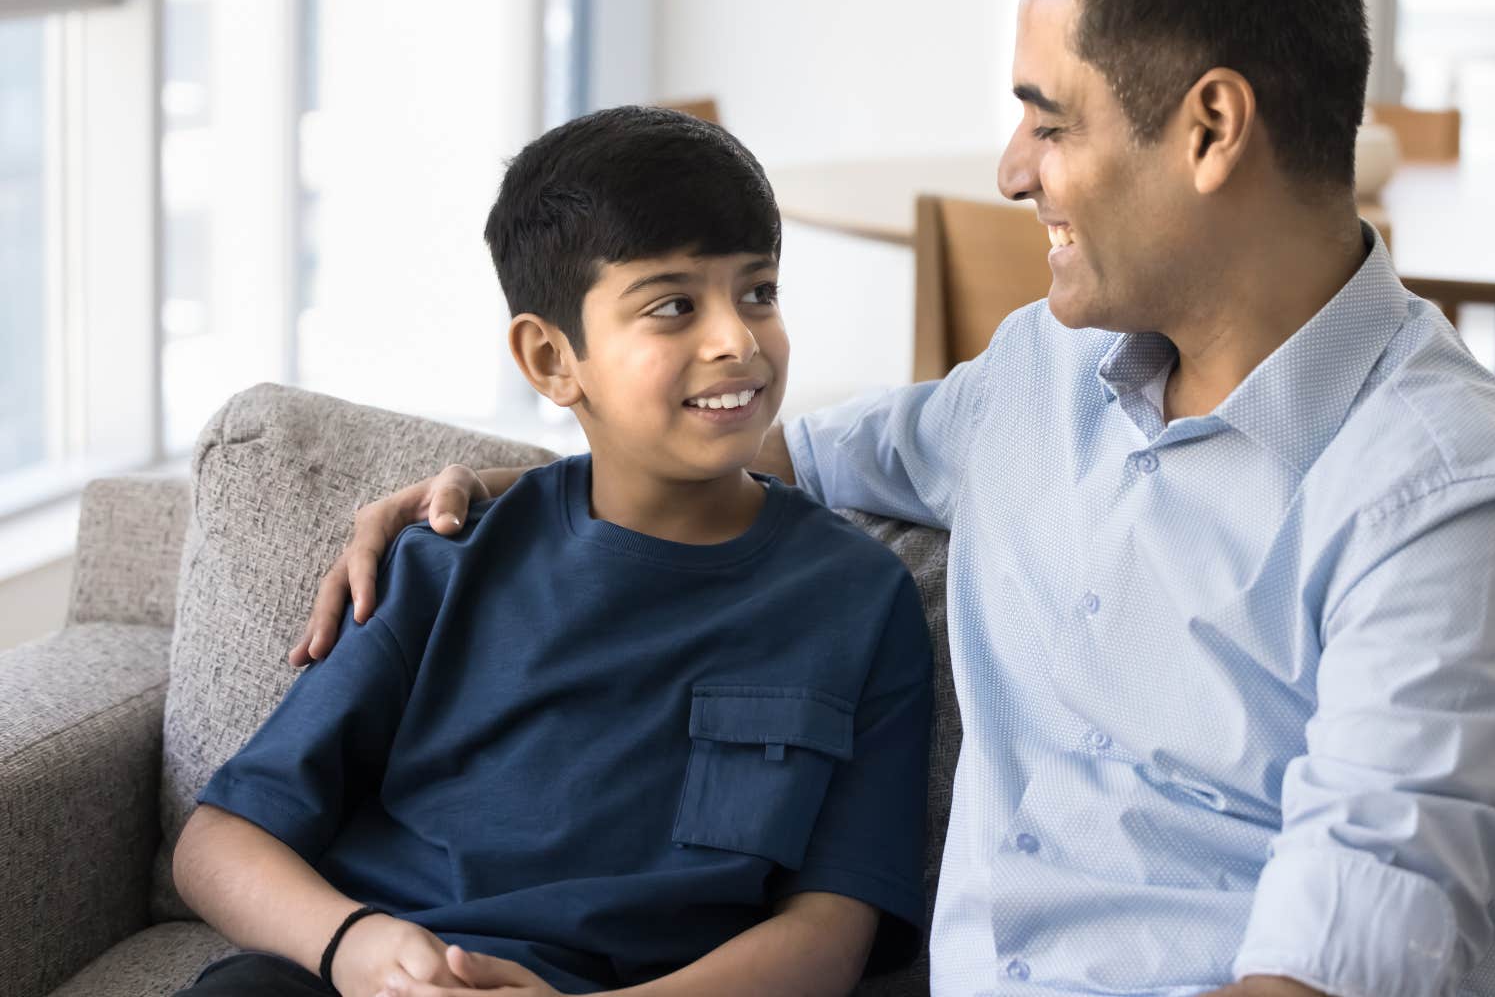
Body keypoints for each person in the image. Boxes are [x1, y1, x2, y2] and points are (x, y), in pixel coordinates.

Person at [301, 0, 1495, 995]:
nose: (1011, 168)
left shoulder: (1447, 512)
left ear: (1211, 130)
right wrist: (481, 499)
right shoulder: (1035, 378)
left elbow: (1342, 964)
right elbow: (749, 454)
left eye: (1052, 121)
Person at [174, 107, 932, 997]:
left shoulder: (860, 599)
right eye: (674, 305)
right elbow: (216, 841)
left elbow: (832, 932)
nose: (736, 338)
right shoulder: (443, 566)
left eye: (758, 291)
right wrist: (357, 947)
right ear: (550, 357)